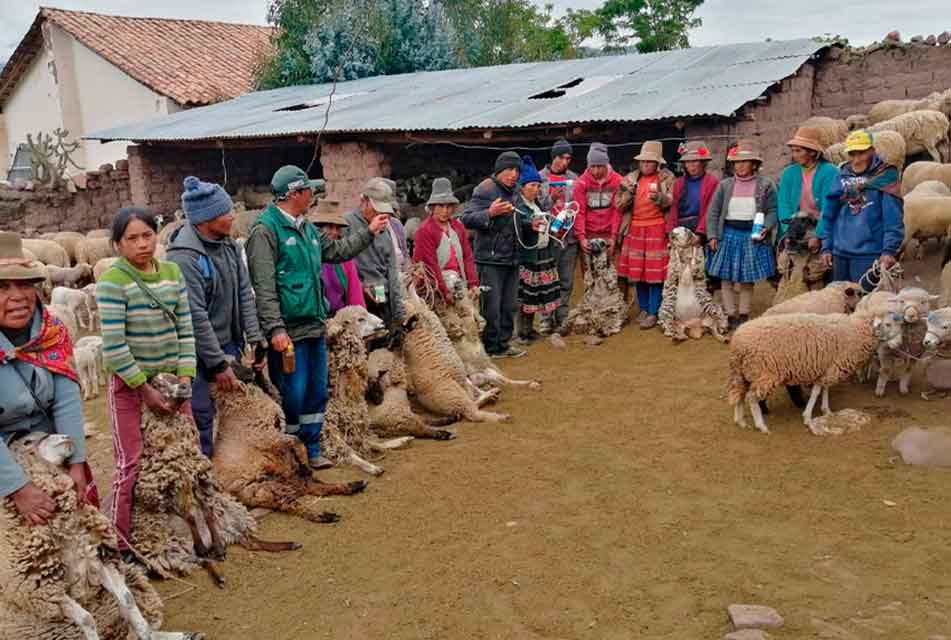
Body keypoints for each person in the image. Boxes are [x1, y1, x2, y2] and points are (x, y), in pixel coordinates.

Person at [246, 165, 387, 469]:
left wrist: (370, 231)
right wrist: (274, 329)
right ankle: (291, 453)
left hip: (313, 324)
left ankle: (311, 449)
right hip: (288, 332)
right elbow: (264, 285)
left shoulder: (308, 229)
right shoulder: (265, 231)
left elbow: (339, 250)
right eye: (309, 190)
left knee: (316, 390)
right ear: (296, 193)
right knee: (292, 393)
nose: (314, 194)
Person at [97, 207, 196, 548]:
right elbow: (114, 346)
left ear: (157, 235)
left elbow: (185, 327)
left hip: (172, 382)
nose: (142, 244)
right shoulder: (112, 282)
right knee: (131, 462)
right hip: (130, 385)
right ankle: (120, 543)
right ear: (117, 245)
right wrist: (144, 390)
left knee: (185, 451)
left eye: (147, 235)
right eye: (132, 238)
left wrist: (185, 378)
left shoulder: (171, 272)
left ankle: (186, 531)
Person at [0, 231, 97, 526]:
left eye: (24, 284)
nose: (17, 296)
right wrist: (18, 487)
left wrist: (76, 461)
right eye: (2, 287)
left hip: (50, 448)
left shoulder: (51, 331)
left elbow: (66, 400)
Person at [166, 176, 267, 457]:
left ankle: (234, 474)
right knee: (202, 417)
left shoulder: (229, 247)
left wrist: (255, 337)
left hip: (227, 343)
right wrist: (218, 363)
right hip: (195, 355)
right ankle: (205, 476)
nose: (233, 215)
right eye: (226, 212)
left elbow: (244, 293)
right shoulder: (185, 258)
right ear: (206, 218)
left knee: (235, 411)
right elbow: (194, 316)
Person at [462, 151, 542, 358]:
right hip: (490, 259)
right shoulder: (485, 189)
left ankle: (504, 344)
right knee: (491, 307)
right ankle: (490, 346)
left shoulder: (515, 191)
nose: (514, 174)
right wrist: (490, 213)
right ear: (499, 170)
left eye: (516, 170)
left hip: (512, 257)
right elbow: (467, 218)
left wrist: (530, 224)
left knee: (509, 305)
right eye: (509, 170)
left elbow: (517, 218)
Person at [705, 139, 779, 329]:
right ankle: (730, 314)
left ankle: (744, 314)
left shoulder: (765, 185)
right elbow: (713, 212)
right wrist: (713, 235)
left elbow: (772, 210)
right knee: (726, 278)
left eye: (745, 162)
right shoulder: (725, 185)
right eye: (737, 162)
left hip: (751, 236)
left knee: (746, 278)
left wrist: (767, 227)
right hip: (728, 234)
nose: (740, 166)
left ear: (754, 164)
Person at [820, 129, 904, 289]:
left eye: (862, 153)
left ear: (872, 150)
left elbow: (893, 219)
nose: (857, 159)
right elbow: (828, 215)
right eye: (852, 154)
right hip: (840, 253)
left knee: (867, 305)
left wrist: (888, 251)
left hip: (869, 254)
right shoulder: (841, 177)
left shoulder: (885, 177)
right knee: (840, 304)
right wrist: (826, 247)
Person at [616, 140, 676, 329]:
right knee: (638, 273)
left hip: (657, 228)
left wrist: (661, 198)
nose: (645, 165)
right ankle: (643, 308)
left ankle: (653, 311)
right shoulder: (630, 180)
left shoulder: (666, 178)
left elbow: (671, 201)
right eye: (643, 162)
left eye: (650, 162)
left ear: (658, 164)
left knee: (655, 274)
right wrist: (629, 195)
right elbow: (618, 204)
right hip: (634, 229)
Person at [345, 178, 404, 328]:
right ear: (363, 201)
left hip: (382, 297)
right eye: (376, 208)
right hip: (358, 306)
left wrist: (398, 313)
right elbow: (340, 265)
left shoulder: (384, 229)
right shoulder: (346, 225)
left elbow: (392, 271)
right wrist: (359, 287)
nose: (380, 213)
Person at [411, 177, 479, 305]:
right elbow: (430, 265)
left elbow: (467, 256)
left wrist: (473, 283)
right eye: (440, 206)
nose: (445, 211)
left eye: (449, 206)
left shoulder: (457, 227)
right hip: (435, 289)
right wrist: (444, 291)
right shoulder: (425, 231)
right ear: (432, 207)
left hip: (459, 284)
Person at [515, 156, 560, 343]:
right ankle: (522, 332)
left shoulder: (536, 205)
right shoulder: (519, 208)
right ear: (522, 187)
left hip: (542, 254)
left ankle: (530, 329)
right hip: (528, 258)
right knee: (526, 295)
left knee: (536, 294)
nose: (535, 189)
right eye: (531, 185)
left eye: (537, 185)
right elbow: (522, 225)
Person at [540, 138, 580, 332]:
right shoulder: (539, 179)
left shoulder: (575, 178)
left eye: (569, 158)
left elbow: (580, 207)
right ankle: (546, 318)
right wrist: (551, 199)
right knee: (547, 279)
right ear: (554, 157)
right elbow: (533, 207)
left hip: (569, 238)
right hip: (547, 239)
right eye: (563, 157)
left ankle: (563, 317)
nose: (566, 161)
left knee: (566, 280)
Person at [778, 126, 839, 242]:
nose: (794, 155)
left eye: (798, 151)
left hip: (821, 226)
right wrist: (788, 231)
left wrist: (818, 235)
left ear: (812, 152)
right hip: (796, 227)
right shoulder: (789, 173)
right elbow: (783, 204)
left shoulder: (830, 172)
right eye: (793, 151)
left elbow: (829, 206)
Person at [573, 142, 623, 268]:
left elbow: (617, 211)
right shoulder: (581, 183)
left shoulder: (618, 181)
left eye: (599, 166)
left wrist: (613, 237)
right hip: (589, 235)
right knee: (590, 276)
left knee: (612, 276)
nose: (595, 170)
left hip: (609, 234)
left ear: (605, 164)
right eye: (592, 166)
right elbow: (579, 212)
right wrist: (581, 238)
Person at [313, 201, 366, 315]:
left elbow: (354, 294)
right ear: (318, 228)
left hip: (341, 319)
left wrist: (360, 316)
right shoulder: (310, 255)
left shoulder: (345, 259)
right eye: (330, 227)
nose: (334, 232)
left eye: (338, 228)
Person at [669, 140, 720, 237]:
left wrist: (700, 233)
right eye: (687, 161)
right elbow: (674, 209)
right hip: (680, 228)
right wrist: (671, 230)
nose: (691, 165)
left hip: (701, 227)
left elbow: (710, 210)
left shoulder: (712, 182)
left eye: (695, 161)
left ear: (703, 163)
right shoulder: (678, 183)